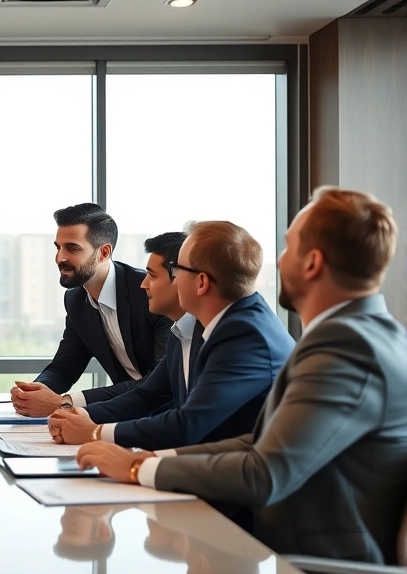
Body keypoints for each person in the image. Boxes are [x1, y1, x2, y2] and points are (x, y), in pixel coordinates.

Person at [76, 188, 407, 564]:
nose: (279, 261)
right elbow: (260, 441)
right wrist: (154, 458)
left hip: (312, 560)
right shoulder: (362, 335)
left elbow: (263, 474)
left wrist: (138, 467)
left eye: (288, 247)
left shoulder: (346, 349)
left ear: (312, 263)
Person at [49, 224, 294, 450]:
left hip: (249, 481)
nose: (143, 285)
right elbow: (147, 395)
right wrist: (72, 415)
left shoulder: (245, 336)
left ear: (201, 282)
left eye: (176, 270)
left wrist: (95, 433)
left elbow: (188, 424)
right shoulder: (190, 328)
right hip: (211, 464)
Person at [12, 204, 172, 416]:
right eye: (58, 247)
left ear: (104, 252)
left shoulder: (150, 292)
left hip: (164, 413)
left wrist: (67, 402)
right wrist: (34, 392)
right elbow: (64, 368)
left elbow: (157, 382)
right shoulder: (76, 299)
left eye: (72, 248)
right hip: (122, 413)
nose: (60, 258)